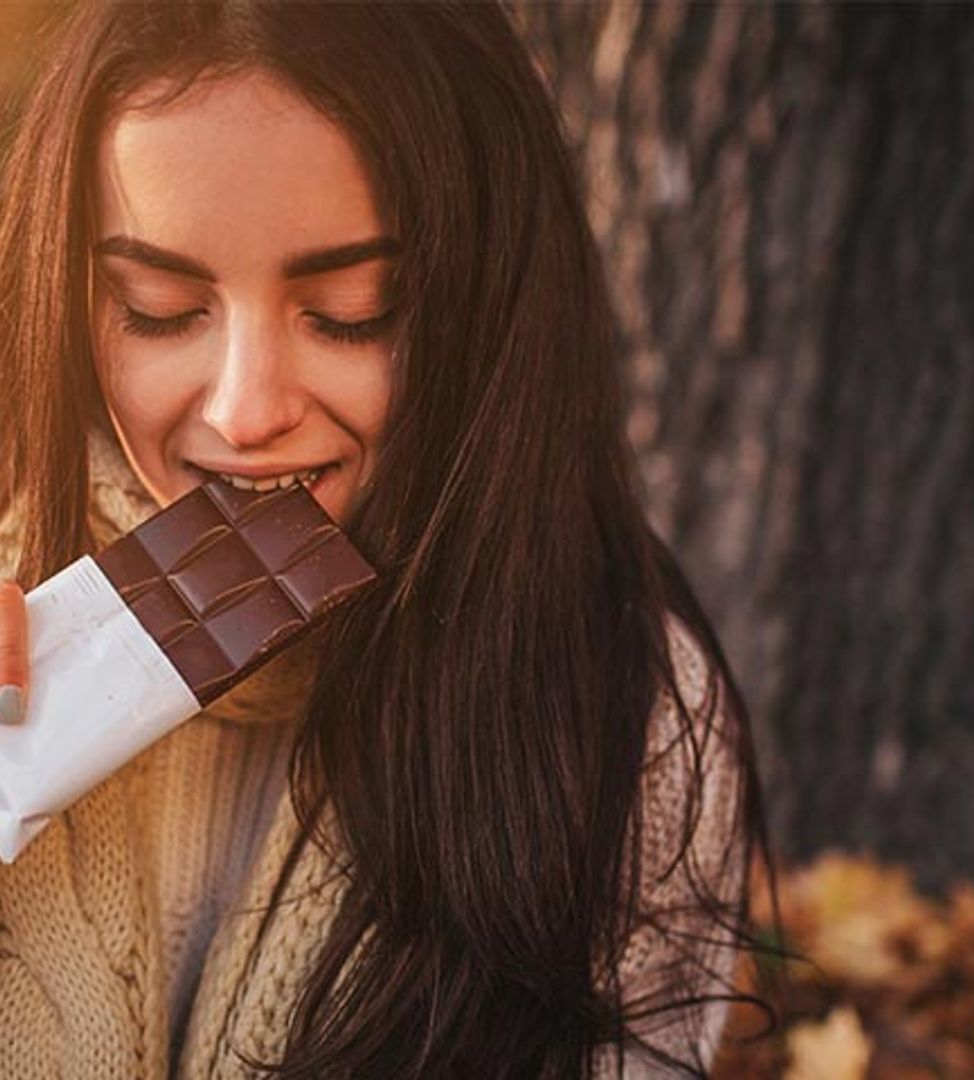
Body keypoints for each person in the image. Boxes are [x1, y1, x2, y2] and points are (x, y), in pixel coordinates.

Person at [0, 2, 768, 1076]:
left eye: (355, 310)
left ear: (483, 303)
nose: (246, 408)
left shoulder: (613, 716)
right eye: (162, 307)